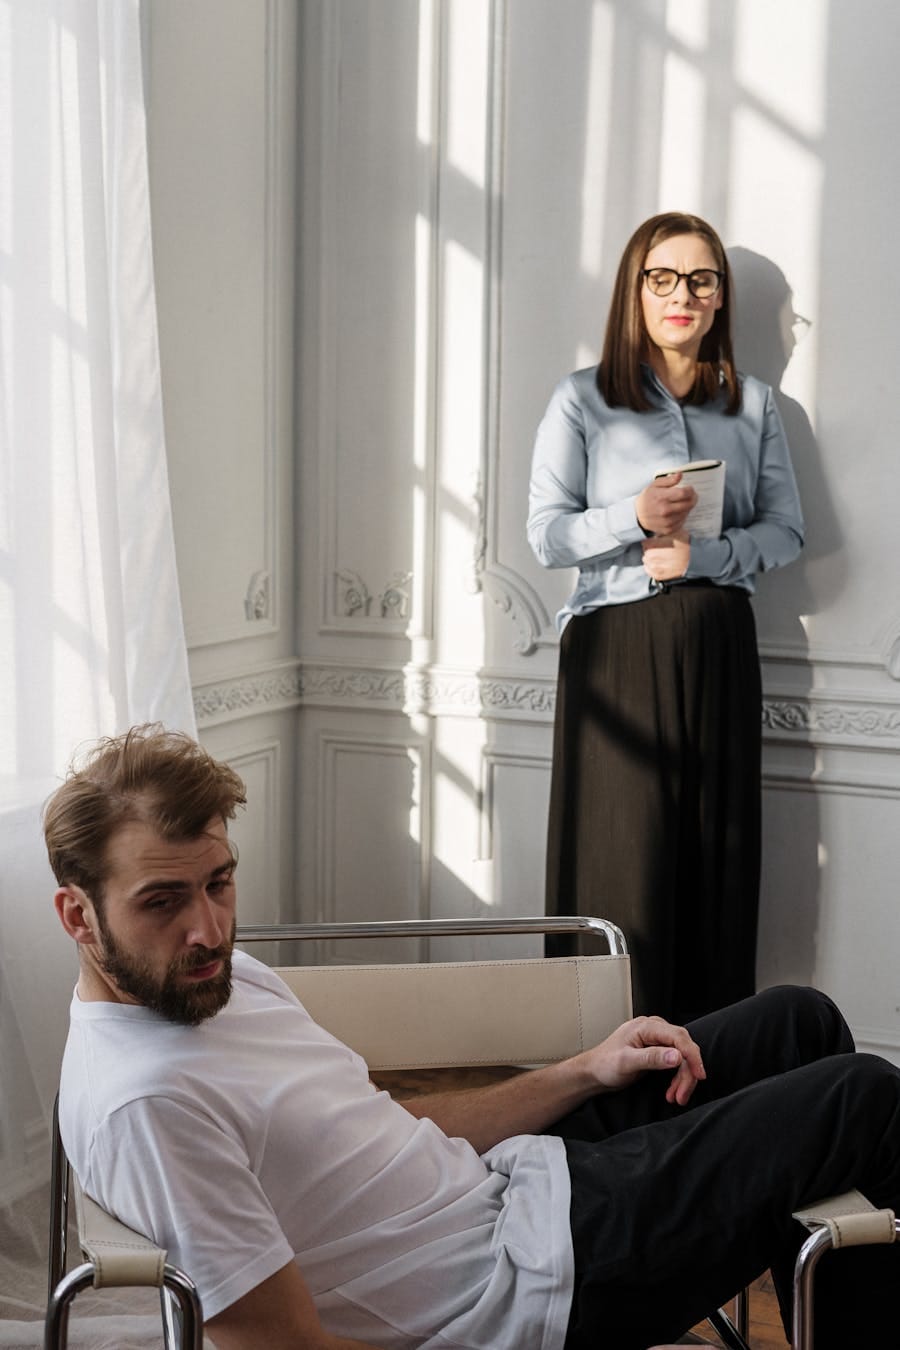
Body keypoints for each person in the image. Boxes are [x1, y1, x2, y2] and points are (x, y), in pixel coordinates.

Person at [46, 726, 900, 1350]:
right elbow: (280, 1348)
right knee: (861, 1101)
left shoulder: (218, 985)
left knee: (799, 1021)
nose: (208, 929)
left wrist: (583, 1072)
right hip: (522, 1294)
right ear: (77, 913)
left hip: (510, 1191)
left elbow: (389, 1133)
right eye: (163, 901)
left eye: (220, 885)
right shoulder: (147, 1102)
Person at [527, 211, 805, 1023]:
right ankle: (602, 1067)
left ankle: (708, 1077)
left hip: (719, 644)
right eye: (662, 278)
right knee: (620, 861)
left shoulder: (754, 406)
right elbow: (545, 534)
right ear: (635, 292)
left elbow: (787, 530)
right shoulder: (582, 399)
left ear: (720, 300)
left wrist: (706, 559)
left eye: (701, 279)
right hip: (615, 646)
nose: (681, 295)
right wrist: (633, 517)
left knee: (714, 858)